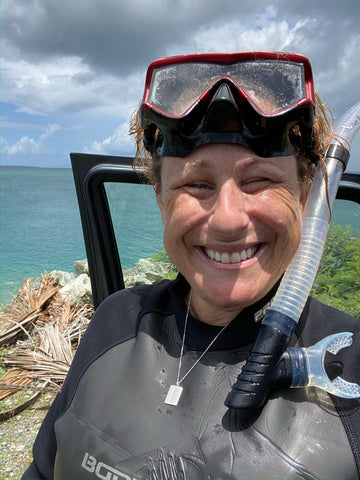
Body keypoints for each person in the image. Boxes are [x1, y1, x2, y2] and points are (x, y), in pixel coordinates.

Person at [23, 52, 360, 480]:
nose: (227, 219)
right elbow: (41, 468)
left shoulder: (350, 362)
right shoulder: (115, 321)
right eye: (196, 184)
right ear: (161, 198)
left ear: (306, 197)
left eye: (259, 181)